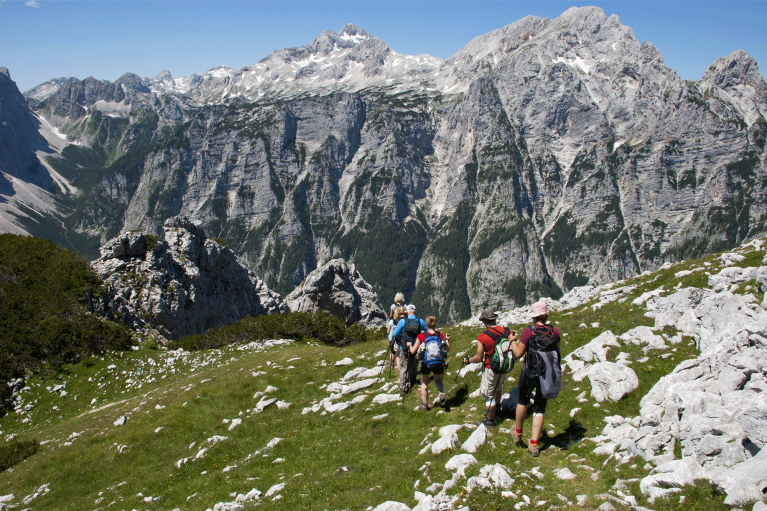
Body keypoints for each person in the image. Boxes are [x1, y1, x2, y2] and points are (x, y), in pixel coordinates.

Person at [510, 301, 561, 457]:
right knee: (540, 407)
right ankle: (534, 444)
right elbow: (558, 354)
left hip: (530, 372)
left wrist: (512, 340)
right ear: (545, 315)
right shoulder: (554, 331)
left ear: (534, 316)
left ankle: (518, 434)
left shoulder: (529, 331)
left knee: (522, 400)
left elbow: (518, 353)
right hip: (546, 375)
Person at [464, 309, 516, 427]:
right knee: (498, 387)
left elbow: (478, 357)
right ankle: (497, 411)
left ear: (485, 321)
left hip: (490, 368)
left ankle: (489, 420)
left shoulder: (483, 337)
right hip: (504, 366)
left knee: (489, 394)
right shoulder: (507, 331)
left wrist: (468, 361)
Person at [410, 315, 450, 411]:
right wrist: (447, 340)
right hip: (438, 361)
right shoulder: (440, 335)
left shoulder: (421, 336)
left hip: (426, 362)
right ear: (435, 323)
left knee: (424, 382)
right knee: (438, 380)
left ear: (426, 324)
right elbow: (447, 349)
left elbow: (413, 351)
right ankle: (441, 394)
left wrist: (409, 346)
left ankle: (424, 404)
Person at [391, 304, 428, 395]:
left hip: (404, 347)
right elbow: (427, 332)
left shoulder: (402, 321)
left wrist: (396, 330)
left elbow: (395, 334)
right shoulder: (420, 321)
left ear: (406, 311)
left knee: (403, 367)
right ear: (415, 311)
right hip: (415, 347)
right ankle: (413, 381)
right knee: (414, 365)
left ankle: (403, 387)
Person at [388, 306, 407, 371]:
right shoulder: (407, 319)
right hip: (406, 340)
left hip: (398, 341)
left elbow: (394, 332)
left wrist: (391, 340)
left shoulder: (395, 321)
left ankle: (400, 372)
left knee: (398, 357)